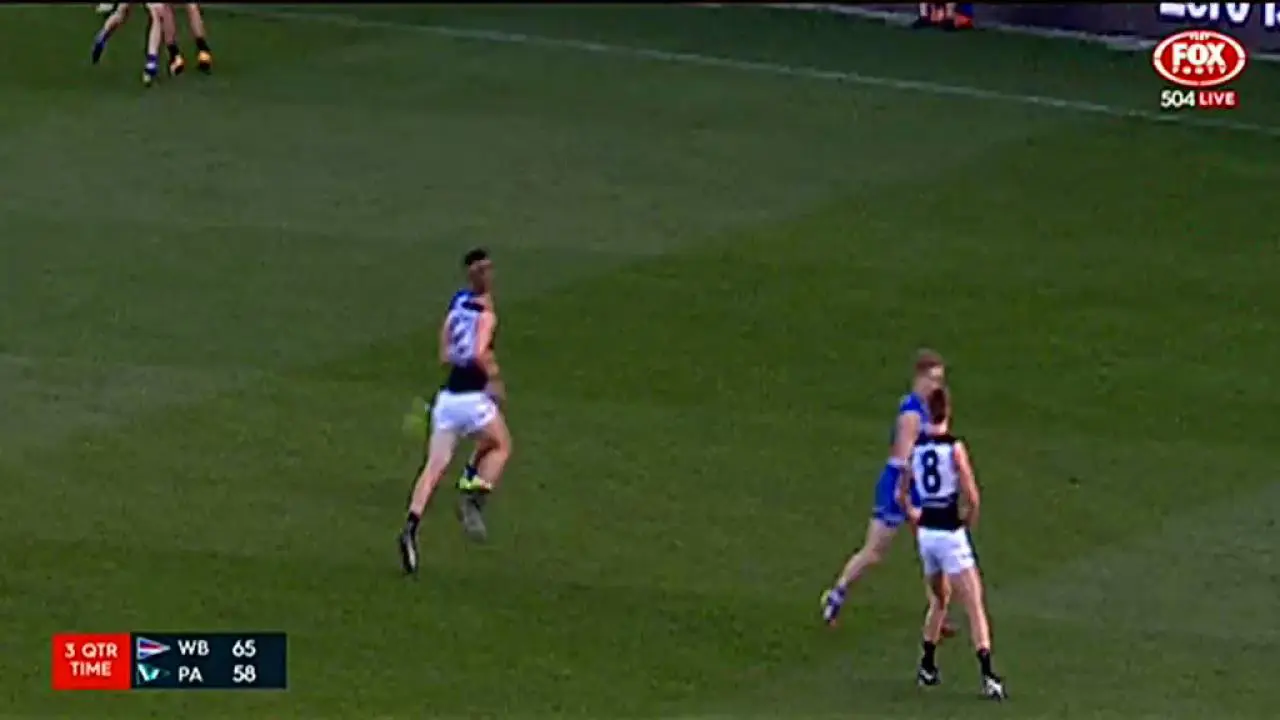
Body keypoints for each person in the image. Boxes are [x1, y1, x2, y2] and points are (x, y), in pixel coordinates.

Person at [398, 248, 513, 574]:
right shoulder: (487, 315)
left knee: (433, 468)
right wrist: (493, 378)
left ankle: (410, 528)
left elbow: (446, 348)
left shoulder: (458, 303)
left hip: (446, 401)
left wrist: (453, 354)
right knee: (501, 445)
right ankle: (473, 498)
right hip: (472, 399)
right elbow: (479, 352)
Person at [820, 350, 952, 629]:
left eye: (940, 380)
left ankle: (938, 613)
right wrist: (902, 495)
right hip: (899, 486)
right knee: (874, 552)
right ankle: (837, 593)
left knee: (931, 548)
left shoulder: (925, 409)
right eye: (932, 379)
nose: (937, 385)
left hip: (916, 486)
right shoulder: (912, 414)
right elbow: (903, 458)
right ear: (919, 378)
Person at [898, 387, 1006, 700]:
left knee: (939, 598)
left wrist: (914, 515)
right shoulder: (954, 448)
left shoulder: (916, 449)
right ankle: (988, 676)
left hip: (927, 536)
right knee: (974, 604)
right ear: (948, 411)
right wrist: (967, 522)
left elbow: (901, 494)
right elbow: (972, 496)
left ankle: (927, 665)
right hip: (949, 534)